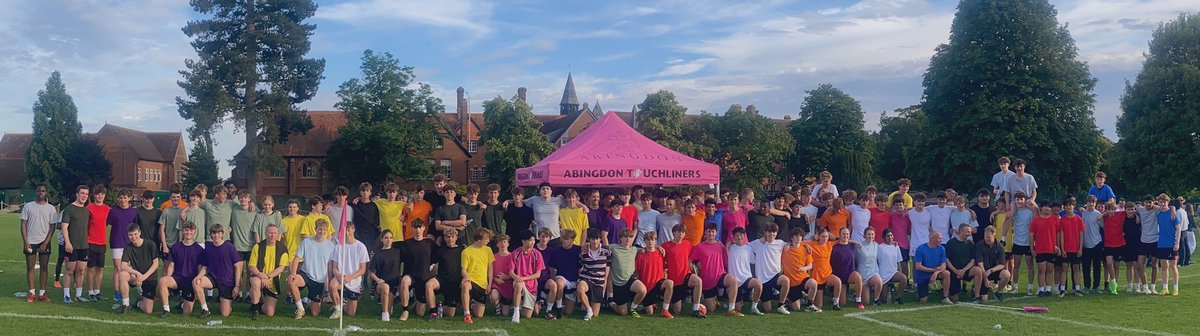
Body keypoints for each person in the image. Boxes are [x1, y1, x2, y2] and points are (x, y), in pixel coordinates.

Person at [287, 218, 336, 319]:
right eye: (319, 229)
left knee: (315, 313)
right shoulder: (306, 242)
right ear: (315, 229)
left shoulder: (330, 245)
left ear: (326, 230)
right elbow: (296, 259)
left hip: (319, 280)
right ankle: (300, 309)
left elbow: (330, 265)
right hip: (305, 274)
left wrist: (330, 282)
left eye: (324, 230)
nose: (322, 232)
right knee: (291, 282)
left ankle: (310, 301)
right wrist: (293, 274)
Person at [691, 223, 741, 316]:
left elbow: (726, 261)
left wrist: (729, 246)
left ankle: (731, 309)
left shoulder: (720, 245)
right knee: (711, 309)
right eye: (709, 232)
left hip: (720, 275)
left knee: (733, 280)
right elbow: (691, 261)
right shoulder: (699, 247)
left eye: (713, 232)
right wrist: (696, 268)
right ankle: (715, 300)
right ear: (705, 232)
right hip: (707, 280)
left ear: (716, 233)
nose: (711, 234)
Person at [193, 224, 243, 318]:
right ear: (211, 235)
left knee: (225, 314)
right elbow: (205, 267)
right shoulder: (208, 248)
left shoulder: (229, 247)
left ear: (222, 234)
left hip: (226, 281)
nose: (216, 236)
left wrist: (237, 285)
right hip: (212, 278)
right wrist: (199, 276)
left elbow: (237, 266)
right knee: (196, 282)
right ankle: (205, 310)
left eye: (219, 233)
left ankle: (227, 304)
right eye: (214, 233)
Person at [156, 221, 203, 318]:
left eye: (190, 230)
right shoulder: (176, 247)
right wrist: (168, 278)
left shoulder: (199, 249)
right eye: (186, 230)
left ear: (194, 232)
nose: (188, 232)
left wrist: (198, 285)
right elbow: (171, 266)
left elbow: (200, 268)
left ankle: (182, 304)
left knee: (187, 312)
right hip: (177, 279)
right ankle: (166, 310)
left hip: (190, 281)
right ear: (183, 231)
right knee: (162, 281)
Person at [326, 222, 370, 319]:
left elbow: (363, 269)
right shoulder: (338, 247)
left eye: (349, 230)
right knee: (332, 286)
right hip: (340, 277)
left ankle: (341, 306)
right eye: (344, 231)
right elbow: (334, 268)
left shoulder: (361, 247)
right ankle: (337, 309)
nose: (346, 233)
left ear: (353, 230)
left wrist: (349, 277)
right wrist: (338, 275)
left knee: (351, 313)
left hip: (354, 280)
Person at [661, 224, 706, 318]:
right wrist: (658, 248)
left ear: (684, 234)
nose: (680, 234)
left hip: (686, 276)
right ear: (674, 233)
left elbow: (697, 253)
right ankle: (671, 302)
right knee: (677, 311)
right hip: (674, 281)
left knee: (698, 281)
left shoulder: (687, 244)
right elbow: (657, 255)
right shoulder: (665, 246)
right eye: (678, 231)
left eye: (682, 232)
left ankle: (696, 309)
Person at [20, 185, 55, 303]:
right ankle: (31, 293)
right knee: (30, 268)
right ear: (36, 192)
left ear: (46, 193)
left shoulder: (51, 208)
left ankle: (42, 294)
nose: (41, 192)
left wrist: (46, 242)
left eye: (43, 191)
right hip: (30, 242)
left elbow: (52, 227)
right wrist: (26, 242)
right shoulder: (28, 206)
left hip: (44, 242)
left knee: (44, 268)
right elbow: (23, 224)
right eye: (39, 190)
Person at [247, 224, 289, 320]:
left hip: (272, 281)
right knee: (256, 282)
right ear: (265, 234)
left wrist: (267, 276)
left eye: (274, 233)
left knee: (269, 313)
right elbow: (251, 266)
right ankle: (255, 310)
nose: (272, 235)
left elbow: (281, 268)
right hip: (259, 277)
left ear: (278, 234)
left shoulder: (282, 249)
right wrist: (260, 275)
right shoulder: (258, 247)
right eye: (270, 233)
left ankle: (260, 303)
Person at [397, 219, 436, 321]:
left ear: (424, 228)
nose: (418, 230)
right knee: (404, 281)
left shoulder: (429, 243)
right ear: (412, 229)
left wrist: (431, 268)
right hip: (411, 275)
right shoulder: (406, 244)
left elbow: (436, 258)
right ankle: (405, 310)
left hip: (423, 277)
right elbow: (393, 251)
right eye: (415, 227)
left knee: (420, 313)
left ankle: (416, 303)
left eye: (420, 227)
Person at [116, 225, 158, 314]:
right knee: (122, 274)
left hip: (150, 278)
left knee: (148, 310)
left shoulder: (150, 244)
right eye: (130, 235)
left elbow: (156, 264)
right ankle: (126, 305)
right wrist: (137, 273)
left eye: (135, 234)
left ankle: (138, 303)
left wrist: (144, 276)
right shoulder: (128, 247)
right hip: (136, 278)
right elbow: (123, 265)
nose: (133, 237)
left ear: (140, 233)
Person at [747, 223, 789, 314]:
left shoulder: (780, 243)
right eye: (769, 232)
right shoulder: (757, 243)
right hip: (762, 280)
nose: (772, 234)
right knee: (767, 309)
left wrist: (806, 245)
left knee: (786, 280)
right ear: (765, 232)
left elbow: (793, 243)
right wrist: (731, 243)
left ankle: (781, 305)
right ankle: (762, 298)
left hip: (775, 276)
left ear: (776, 233)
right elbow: (744, 245)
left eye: (774, 232)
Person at [608, 229, 648, 317]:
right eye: (625, 237)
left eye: (630, 237)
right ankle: (611, 303)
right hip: (618, 284)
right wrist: (587, 245)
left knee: (642, 290)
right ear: (620, 238)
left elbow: (649, 248)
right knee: (623, 313)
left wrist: (659, 247)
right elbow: (599, 246)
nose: (628, 239)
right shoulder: (613, 247)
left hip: (630, 279)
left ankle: (633, 308)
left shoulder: (634, 249)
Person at [61, 185, 91, 303]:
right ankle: (66, 295)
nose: (84, 196)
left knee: (81, 271)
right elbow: (64, 227)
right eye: (82, 193)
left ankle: (78, 295)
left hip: (84, 246)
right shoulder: (69, 209)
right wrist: (67, 243)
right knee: (69, 270)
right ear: (77, 194)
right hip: (71, 246)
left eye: (86, 194)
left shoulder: (86, 210)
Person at [107, 189, 138, 303]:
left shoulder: (134, 212)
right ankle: (117, 292)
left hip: (130, 244)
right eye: (121, 198)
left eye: (125, 197)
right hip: (116, 243)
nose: (123, 200)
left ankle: (126, 291)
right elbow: (105, 224)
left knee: (129, 269)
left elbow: (136, 228)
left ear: (129, 199)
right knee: (118, 268)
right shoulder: (113, 212)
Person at [426, 228, 465, 319]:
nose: (450, 239)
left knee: (450, 313)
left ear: (456, 237)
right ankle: (433, 312)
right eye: (448, 237)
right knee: (429, 284)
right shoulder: (440, 250)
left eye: (452, 237)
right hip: (441, 280)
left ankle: (441, 306)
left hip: (454, 282)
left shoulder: (462, 250)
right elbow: (432, 264)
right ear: (444, 238)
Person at [635, 231, 675, 318]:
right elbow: (637, 272)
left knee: (670, 283)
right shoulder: (641, 255)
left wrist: (665, 278)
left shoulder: (660, 253)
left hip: (658, 285)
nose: (650, 242)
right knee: (650, 313)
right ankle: (644, 304)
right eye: (648, 240)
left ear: (655, 241)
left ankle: (665, 310)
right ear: (644, 241)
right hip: (646, 288)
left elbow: (665, 269)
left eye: (652, 239)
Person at [229, 191, 259, 302]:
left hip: (251, 247)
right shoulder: (234, 210)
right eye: (241, 198)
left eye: (245, 198)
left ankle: (249, 295)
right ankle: (240, 294)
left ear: (249, 199)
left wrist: (277, 214)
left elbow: (267, 213)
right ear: (239, 199)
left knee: (250, 273)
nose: (243, 200)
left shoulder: (255, 210)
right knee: (239, 272)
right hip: (237, 246)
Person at [781, 226, 821, 312]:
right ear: (792, 237)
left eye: (800, 236)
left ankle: (810, 304)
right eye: (796, 236)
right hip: (791, 283)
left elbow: (810, 266)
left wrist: (804, 268)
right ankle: (790, 299)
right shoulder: (785, 249)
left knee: (813, 283)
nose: (798, 238)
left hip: (803, 278)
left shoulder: (805, 249)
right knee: (796, 308)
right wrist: (788, 244)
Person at [510, 230, 546, 323]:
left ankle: (533, 305)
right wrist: (517, 278)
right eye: (530, 240)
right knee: (518, 285)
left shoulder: (537, 254)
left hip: (532, 285)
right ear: (523, 241)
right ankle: (516, 312)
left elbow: (538, 274)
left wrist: (523, 278)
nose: (532, 242)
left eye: (533, 240)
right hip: (519, 282)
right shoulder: (516, 253)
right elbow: (511, 272)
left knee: (527, 315)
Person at [460, 228, 495, 323]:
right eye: (486, 238)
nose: (488, 240)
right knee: (465, 285)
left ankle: (472, 304)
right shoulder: (466, 252)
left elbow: (490, 268)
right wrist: (466, 277)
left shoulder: (488, 250)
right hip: (471, 281)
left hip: (482, 284)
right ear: (479, 239)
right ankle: (467, 314)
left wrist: (489, 284)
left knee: (479, 315)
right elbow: (463, 270)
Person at [725, 227, 761, 316]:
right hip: (735, 282)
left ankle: (754, 307)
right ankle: (736, 300)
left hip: (746, 279)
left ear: (744, 236)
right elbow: (725, 259)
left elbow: (753, 263)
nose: (739, 237)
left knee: (758, 284)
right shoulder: (730, 248)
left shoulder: (749, 248)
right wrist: (726, 247)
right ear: (733, 237)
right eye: (736, 235)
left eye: (741, 235)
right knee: (738, 309)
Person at [544, 229, 580, 318]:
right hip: (561, 277)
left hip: (573, 281)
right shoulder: (556, 251)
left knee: (568, 312)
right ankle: (559, 307)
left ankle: (557, 305)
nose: (564, 241)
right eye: (563, 238)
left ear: (572, 240)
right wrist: (553, 280)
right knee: (559, 282)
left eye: (567, 239)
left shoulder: (578, 250)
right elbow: (552, 267)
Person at [807, 228, 845, 309]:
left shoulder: (829, 244)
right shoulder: (812, 244)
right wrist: (806, 245)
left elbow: (842, 240)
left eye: (826, 237)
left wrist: (856, 242)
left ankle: (835, 303)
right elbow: (800, 243)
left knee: (838, 281)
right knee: (819, 305)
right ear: (818, 237)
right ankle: (807, 297)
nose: (825, 239)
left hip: (827, 274)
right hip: (817, 276)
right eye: (823, 236)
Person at [85, 185, 111, 302]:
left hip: (102, 243)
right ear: (94, 195)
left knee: (100, 269)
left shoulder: (107, 209)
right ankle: (90, 292)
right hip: (90, 242)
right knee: (90, 268)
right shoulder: (89, 208)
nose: (100, 196)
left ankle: (97, 291)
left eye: (102, 194)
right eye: (98, 194)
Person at [1030, 200, 1061, 297]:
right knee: (1041, 269)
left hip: (1051, 248)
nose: (1047, 209)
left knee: (1050, 269)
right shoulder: (1036, 220)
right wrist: (1032, 248)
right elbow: (1032, 235)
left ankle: (1048, 289)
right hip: (1040, 248)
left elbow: (1058, 234)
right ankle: (1040, 289)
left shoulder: (1055, 219)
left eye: (1049, 207)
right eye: (1045, 207)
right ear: (1041, 208)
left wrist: (1059, 247)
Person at [370, 230, 403, 321]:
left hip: (394, 284)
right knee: (385, 287)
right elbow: (371, 272)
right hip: (382, 284)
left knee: (390, 311)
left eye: (390, 238)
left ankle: (388, 308)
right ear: (382, 239)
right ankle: (384, 314)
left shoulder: (397, 252)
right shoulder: (378, 253)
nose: (388, 240)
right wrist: (377, 280)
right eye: (386, 238)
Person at [1008, 192, 1036, 295]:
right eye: (1017, 199)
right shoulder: (1015, 211)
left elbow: (1034, 224)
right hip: (1017, 242)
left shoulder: (1030, 212)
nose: (1019, 201)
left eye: (1021, 199)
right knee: (1016, 266)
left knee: (1030, 265)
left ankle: (1030, 287)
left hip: (1028, 243)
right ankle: (1015, 287)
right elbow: (1007, 216)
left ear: (1025, 200)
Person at [913, 231, 952, 304]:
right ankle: (920, 291)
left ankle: (945, 297)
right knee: (923, 300)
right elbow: (918, 266)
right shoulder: (921, 248)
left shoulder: (941, 249)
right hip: (923, 275)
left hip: (935, 273)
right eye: (939, 238)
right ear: (932, 238)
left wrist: (935, 273)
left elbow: (943, 265)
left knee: (946, 273)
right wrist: (932, 270)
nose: (941, 240)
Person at [974, 226, 1010, 303]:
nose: (986, 239)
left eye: (988, 237)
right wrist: (985, 278)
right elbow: (980, 264)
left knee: (1006, 274)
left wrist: (991, 270)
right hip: (983, 271)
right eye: (985, 236)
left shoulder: (1000, 246)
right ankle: (976, 289)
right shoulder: (979, 245)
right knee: (984, 299)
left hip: (993, 270)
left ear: (994, 235)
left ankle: (999, 292)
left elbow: (1002, 264)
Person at [831, 227, 864, 309]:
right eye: (843, 234)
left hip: (849, 274)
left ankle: (858, 301)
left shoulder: (852, 246)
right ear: (839, 235)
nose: (845, 236)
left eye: (847, 234)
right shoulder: (835, 248)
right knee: (842, 303)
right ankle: (834, 295)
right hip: (839, 277)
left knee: (858, 276)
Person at [853, 227, 885, 306]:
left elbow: (886, 247)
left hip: (873, 272)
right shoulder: (859, 246)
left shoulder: (876, 245)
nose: (870, 236)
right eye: (868, 234)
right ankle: (856, 295)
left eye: (872, 234)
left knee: (879, 281)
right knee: (866, 302)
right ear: (864, 235)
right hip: (863, 274)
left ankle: (876, 300)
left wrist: (893, 242)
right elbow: (855, 259)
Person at [1156, 197, 1181, 296]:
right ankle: (1165, 288)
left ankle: (1175, 288)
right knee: (1163, 267)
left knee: (1173, 266)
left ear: (1168, 202)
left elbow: (1178, 229)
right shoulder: (1159, 214)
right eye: (1161, 202)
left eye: (1164, 202)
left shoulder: (1172, 214)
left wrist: (1177, 243)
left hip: (1172, 244)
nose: (1162, 204)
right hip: (1161, 244)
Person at [945, 224, 975, 303]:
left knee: (977, 270)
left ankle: (977, 293)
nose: (969, 234)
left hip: (965, 270)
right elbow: (946, 260)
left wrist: (963, 270)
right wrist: (956, 271)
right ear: (961, 231)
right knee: (954, 299)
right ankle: (947, 292)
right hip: (953, 271)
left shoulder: (971, 243)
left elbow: (972, 261)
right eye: (968, 232)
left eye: (970, 232)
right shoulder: (951, 243)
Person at [1101, 201, 1126, 295]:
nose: (1111, 211)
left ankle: (1115, 284)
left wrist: (1137, 217)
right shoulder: (1105, 217)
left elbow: (1134, 210)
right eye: (1109, 209)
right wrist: (1105, 213)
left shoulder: (1120, 214)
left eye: (1113, 209)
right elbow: (1098, 217)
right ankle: (1113, 282)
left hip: (1119, 244)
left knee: (1116, 265)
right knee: (1109, 263)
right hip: (1108, 244)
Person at [1080, 196, 1105, 293]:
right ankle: (1087, 286)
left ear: (1095, 203)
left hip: (1096, 243)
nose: (1091, 204)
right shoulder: (1083, 213)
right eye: (1089, 202)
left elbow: (1103, 227)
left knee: (1097, 266)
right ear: (1086, 202)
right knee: (1086, 267)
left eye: (1093, 202)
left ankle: (1096, 286)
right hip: (1085, 244)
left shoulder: (1098, 214)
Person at [877, 229, 908, 304]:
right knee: (884, 300)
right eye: (887, 236)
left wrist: (898, 271)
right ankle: (888, 289)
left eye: (891, 235)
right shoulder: (880, 247)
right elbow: (877, 261)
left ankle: (898, 298)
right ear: (884, 238)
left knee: (904, 278)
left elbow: (898, 261)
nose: (890, 237)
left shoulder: (896, 246)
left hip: (893, 272)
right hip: (883, 275)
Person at [350, 183, 381, 252]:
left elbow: (377, 220)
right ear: (360, 192)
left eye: (367, 191)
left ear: (370, 192)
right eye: (363, 191)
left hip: (371, 236)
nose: (365, 193)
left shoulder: (375, 206)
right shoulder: (355, 205)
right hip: (358, 235)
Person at [490, 234, 515, 316]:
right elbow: (489, 272)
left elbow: (517, 272)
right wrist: (495, 279)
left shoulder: (512, 257)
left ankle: (508, 305)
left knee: (505, 314)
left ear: (508, 244)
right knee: (494, 296)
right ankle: (497, 306)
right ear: (497, 244)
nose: (502, 244)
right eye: (500, 242)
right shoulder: (493, 257)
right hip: (497, 284)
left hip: (508, 285)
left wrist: (507, 277)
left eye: (504, 242)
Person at [158, 186, 186, 258]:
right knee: (167, 268)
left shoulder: (184, 210)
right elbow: (162, 230)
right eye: (173, 197)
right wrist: (164, 246)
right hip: (168, 244)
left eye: (178, 197)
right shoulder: (166, 211)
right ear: (170, 198)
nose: (176, 199)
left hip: (181, 243)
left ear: (180, 197)